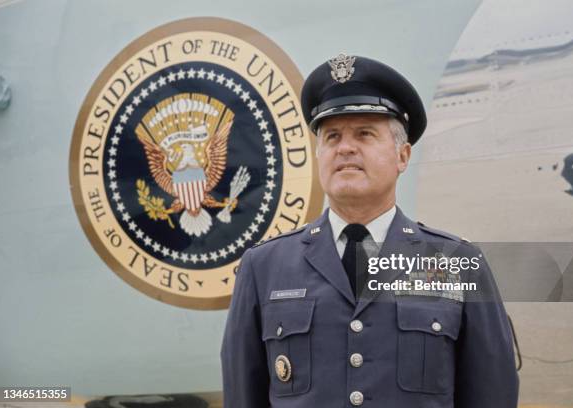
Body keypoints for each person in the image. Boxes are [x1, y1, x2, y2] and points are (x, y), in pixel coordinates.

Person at [221, 53, 519, 407]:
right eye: (331, 137)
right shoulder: (264, 267)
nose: (345, 147)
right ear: (319, 157)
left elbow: (492, 393)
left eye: (364, 133)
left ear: (402, 156)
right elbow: (243, 395)